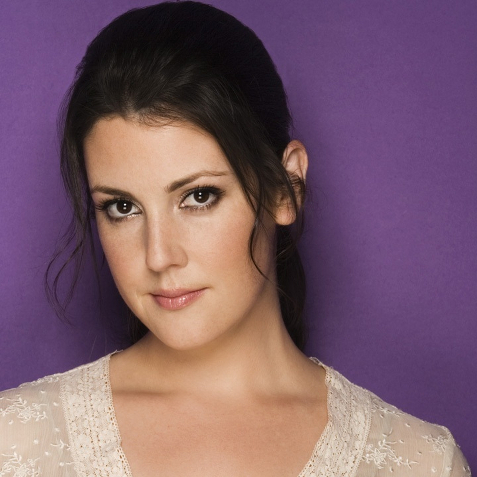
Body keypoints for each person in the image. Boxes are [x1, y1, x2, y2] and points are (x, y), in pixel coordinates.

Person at [0, 2, 471, 476]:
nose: (159, 256)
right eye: (122, 207)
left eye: (199, 196)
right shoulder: (14, 441)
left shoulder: (422, 462)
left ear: (286, 187)